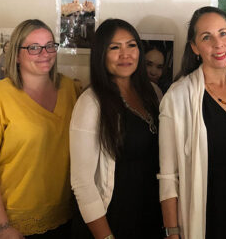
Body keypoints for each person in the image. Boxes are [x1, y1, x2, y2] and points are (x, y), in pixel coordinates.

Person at [0, 19, 80, 238]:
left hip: (60, 219)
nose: (45, 53)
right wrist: (2, 228)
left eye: (50, 45)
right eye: (33, 48)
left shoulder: (70, 89)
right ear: (17, 54)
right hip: (7, 224)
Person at [158, 6, 226, 239]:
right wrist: (172, 232)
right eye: (207, 37)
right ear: (195, 47)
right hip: (204, 216)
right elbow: (168, 176)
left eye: (223, 33)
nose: (218, 43)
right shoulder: (177, 98)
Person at [69, 19, 163, 239]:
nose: (126, 54)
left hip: (149, 214)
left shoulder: (153, 93)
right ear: (101, 54)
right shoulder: (91, 103)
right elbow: (82, 183)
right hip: (111, 219)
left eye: (131, 45)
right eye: (114, 48)